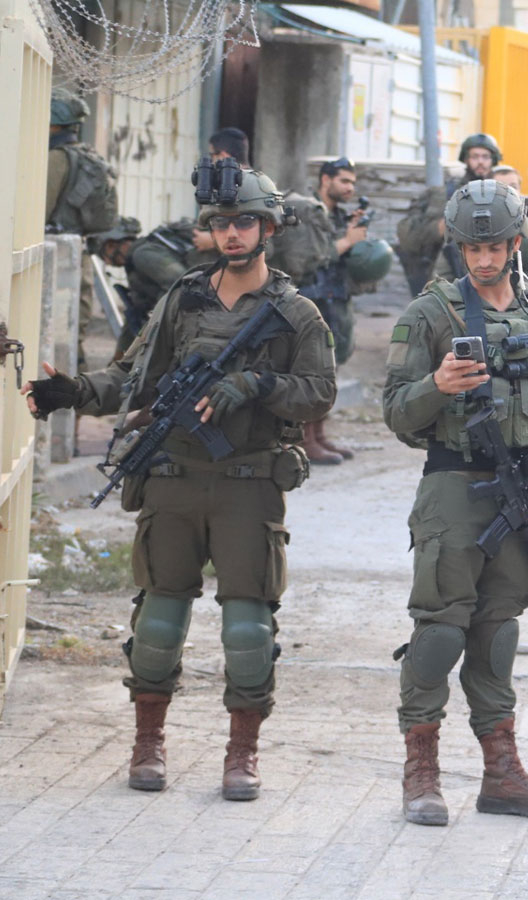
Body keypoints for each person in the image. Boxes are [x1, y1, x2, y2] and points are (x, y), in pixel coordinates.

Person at [23, 162, 336, 802]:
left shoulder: (296, 313)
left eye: (244, 221)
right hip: (174, 474)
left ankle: (242, 753)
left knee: (248, 630)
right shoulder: (183, 298)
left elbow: (319, 393)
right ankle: (148, 744)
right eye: (221, 224)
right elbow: (131, 378)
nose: (232, 234)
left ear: (268, 226)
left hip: (249, 482)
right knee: (160, 621)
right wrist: (75, 392)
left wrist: (257, 385)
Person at [383, 179, 528, 827]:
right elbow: (394, 411)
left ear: (517, 241)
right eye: (471, 247)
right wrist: (437, 385)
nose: (482, 259)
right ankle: (421, 774)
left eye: (494, 245)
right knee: (442, 630)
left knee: (497, 633)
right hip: (453, 487)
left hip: (521, 493)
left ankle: (503, 775)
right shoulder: (430, 314)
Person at [272, 157, 371, 464]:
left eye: (353, 182)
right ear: (325, 180)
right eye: (344, 181)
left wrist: (352, 234)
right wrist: (347, 241)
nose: (350, 188)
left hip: (333, 301)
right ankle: (303, 438)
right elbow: (305, 260)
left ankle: (319, 434)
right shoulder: (305, 210)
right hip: (308, 299)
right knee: (307, 370)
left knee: (327, 371)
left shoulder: (336, 216)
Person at [45, 89, 120, 373]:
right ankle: (74, 404)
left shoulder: (57, 158)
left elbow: (40, 210)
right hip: (81, 257)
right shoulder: (85, 155)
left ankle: (66, 403)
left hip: (56, 259)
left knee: (56, 335)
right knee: (74, 332)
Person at [92, 217, 220, 358]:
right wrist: (119, 359)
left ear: (110, 246)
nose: (109, 264)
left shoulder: (142, 254)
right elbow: (135, 314)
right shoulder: (136, 265)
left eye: (104, 257)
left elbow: (182, 284)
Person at [397, 133, 502, 295]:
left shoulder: (502, 195)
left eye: (485, 156)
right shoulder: (444, 195)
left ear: (493, 160)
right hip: (451, 277)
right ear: (466, 159)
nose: (480, 161)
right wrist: (439, 228)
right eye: (475, 156)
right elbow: (407, 235)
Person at [431, 164, 528, 294]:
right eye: (501, 187)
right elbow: (438, 287)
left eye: (513, 187)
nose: (508, 192)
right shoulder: (464, 233)